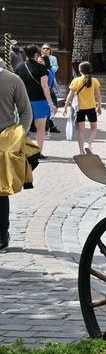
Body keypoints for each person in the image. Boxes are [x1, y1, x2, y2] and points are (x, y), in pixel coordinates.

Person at [0, 59, 32, 250]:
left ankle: (2, 232)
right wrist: (21, 134)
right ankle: (2, 233)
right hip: (7, 141)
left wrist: (18, 136)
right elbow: (26, 111)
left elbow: (25, 111)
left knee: (1, 190)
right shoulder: (14, 79)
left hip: (4, 141)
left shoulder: (13, 80)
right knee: (1, 191)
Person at [16, 46, 55, 155]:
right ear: (36, 55)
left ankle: (21, 151)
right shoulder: (42, 69)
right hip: (40, 101)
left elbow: (17, 85)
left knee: (22, 128)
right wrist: (51, 103)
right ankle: (38, 152)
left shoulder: (19, 67)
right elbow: (45, 87)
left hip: (23, 100)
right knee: (40, 128)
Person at [67, 61, 102, 155]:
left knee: (81, 130)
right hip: (91, 107)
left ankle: (81, 151)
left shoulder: (76, 80)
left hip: (79, 109)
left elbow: (70, 95)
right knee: (93, 128)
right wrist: (99, 106)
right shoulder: (94, 80)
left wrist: (66, 106)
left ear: (80, 70)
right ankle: (89, 144)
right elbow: (98, 95)